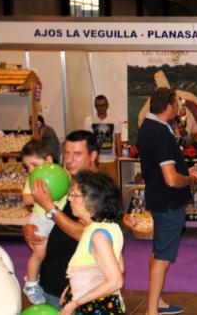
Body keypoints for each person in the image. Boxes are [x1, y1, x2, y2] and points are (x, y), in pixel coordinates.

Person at [138, 88, 197, 315]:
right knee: (163, 258)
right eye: (176, 104)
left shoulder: (149, 127)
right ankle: (152, 310)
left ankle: (157, 302)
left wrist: (184, 169)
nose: (178, 107)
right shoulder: (159, 132)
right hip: (168, 202)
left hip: (159, 198)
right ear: (168, 108)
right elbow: (172, 179)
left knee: (158, 253)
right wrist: (191, 178)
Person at [23, 130, 99, 308]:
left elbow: (85, 234)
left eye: (77, 154)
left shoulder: (100, 190)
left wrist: (50, 207)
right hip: (51, 279)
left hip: (78, 288)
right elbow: (41, 212)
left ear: (93, 155)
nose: (69, 159)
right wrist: (29, 228)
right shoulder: (63, 179)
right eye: (68, 153)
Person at [59, 171, 124, 315]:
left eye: (74, 195)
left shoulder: (98, 236)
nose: (69, 199)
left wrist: (75, 302)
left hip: (95, 307)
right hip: (96, 302)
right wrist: (72, 288)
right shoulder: (109, 227)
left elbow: (115, 281)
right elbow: (120, 267)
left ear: (92, 200)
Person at [20, 139, 65, 305]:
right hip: (40, 220)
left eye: (34, 164)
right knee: (39, 253)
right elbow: (25, 200)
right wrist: (39, 196)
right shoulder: (32, 180)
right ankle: (31, 284)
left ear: (48, 160)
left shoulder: (61, 174)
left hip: (56, 219)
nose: (31, 170)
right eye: (27, 167)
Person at [83, 95, 122, 184]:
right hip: (95, 162)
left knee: (112, 188)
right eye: (98, 106)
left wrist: (118, 158)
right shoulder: (88, 120)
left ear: (107, 105)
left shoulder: (115, 120)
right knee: (95, 188)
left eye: (103, 105)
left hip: (111, 161)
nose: (100, 108)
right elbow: (86, 142)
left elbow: (118, 140)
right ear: (95, 106)